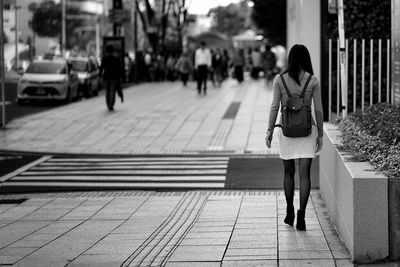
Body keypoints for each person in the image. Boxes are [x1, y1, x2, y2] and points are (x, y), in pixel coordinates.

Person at [265, 44, 324, 231]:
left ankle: (289, 211)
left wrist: (269, 131)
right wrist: (320, 134)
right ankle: (302, 216)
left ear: (290, 59)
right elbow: (319, 110)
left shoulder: (280, 80)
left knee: (288, 172)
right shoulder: (313, 80)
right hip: (307, 131)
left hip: (287, 131)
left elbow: (274, 106)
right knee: (304, 174)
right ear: (306, 59)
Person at [99, 45, 122, 111]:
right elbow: (119, 69)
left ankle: (108, 103)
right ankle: (111, 105)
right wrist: (120, 77)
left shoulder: (104, 58)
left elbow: (101, 68)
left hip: (106, 77)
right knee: (112, 91)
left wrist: (100, 75)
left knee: (107, 91)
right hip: (114, 77)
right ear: (112, 50)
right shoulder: (116, 58)